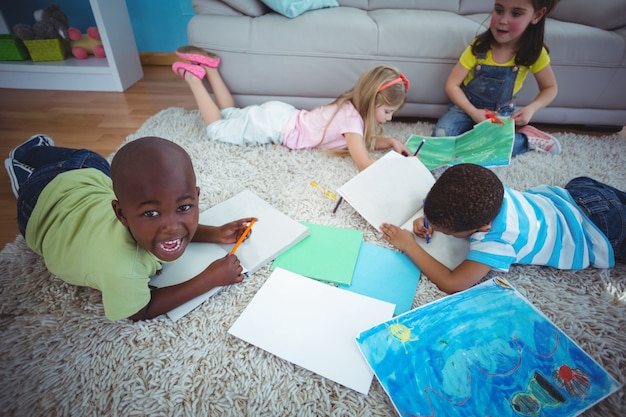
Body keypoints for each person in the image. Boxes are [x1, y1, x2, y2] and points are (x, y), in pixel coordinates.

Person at [4, 134, 256, 321]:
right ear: (121, 214)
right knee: (75, 161)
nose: (172, 227)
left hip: (88, 175)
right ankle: (24, 159)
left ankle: (36, 152)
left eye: (183, 207)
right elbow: (138, 311)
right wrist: (210, 279)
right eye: (151, 213)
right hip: (38, 202)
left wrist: (215, 233)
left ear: (196, 197)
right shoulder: (121, 267)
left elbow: (176, 230)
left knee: (89, 158)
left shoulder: (152, 223)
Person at [380, 163, 625, 294]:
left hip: (600, 231)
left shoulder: (497, 240)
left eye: (448, 232)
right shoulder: (483, 189)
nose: (441, 232)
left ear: (482, 228)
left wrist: (409, 244)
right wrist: (431, 219)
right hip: (582, 196)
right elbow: (447, 198)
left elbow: (452, 283)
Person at [172, 45, 410, 171]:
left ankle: (211, 69)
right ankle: (194, 78)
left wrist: (389, 142)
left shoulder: (351, 109)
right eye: (387, 112)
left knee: (231, 115)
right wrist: (400, 168)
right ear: (372, 102)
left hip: (282, 115)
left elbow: (359, 143)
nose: (389, 119)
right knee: (216, 130)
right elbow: (363, 162)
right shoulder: (352, 122)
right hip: (275, 127)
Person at [432, 0, 561, 156]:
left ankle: (525, 139)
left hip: (499, 114)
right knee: (441, 136)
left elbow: (550, 88)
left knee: (492, 150)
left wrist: (532, 108)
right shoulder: (479, 47)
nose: (503, 20)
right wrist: (473, 112)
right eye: (499, 10)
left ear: (537, 16)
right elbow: (452, 85)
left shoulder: (535, 53)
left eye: (516, 14)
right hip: (465, 109)